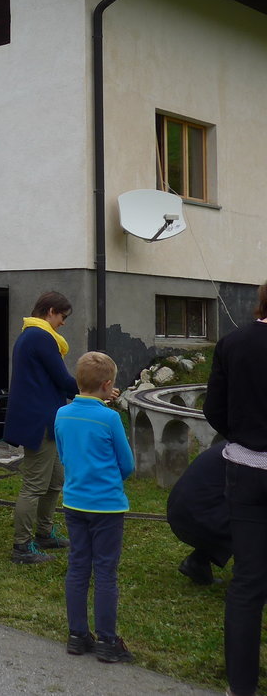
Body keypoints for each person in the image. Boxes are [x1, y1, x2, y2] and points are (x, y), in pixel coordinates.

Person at [203, 281, 267, 696]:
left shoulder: (233, 342)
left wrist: (242, 436)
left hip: (246, 470)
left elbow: (214, 409)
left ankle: (240, 688)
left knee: (248, 580)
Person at [54, 350, 135, 663]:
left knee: (77, 566)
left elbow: (63, 454)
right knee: (105, 571)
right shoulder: (110, 417)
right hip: (107, 505)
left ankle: (77, 635)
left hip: (74, 501)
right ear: (108, 385)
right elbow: (126, 464)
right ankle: (107, 640)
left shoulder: (62, 414)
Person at [2, 291, 78, 564]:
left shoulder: (32, 336)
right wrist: (94, 389)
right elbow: (62, 379)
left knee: (54, 481)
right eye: (63, 317)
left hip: (48, 420)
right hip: (41, 422)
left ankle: (45, 533)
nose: (64, 323)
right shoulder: (40, 337)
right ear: (50, 311)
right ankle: (21, 547)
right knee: (34, 486)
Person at [167, 439, 231, 586]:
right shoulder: (252, 454)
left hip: (181, 512)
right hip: (197, 517)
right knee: (253, 521)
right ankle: (250, 584)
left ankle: (197, 563)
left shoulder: (240, 443)